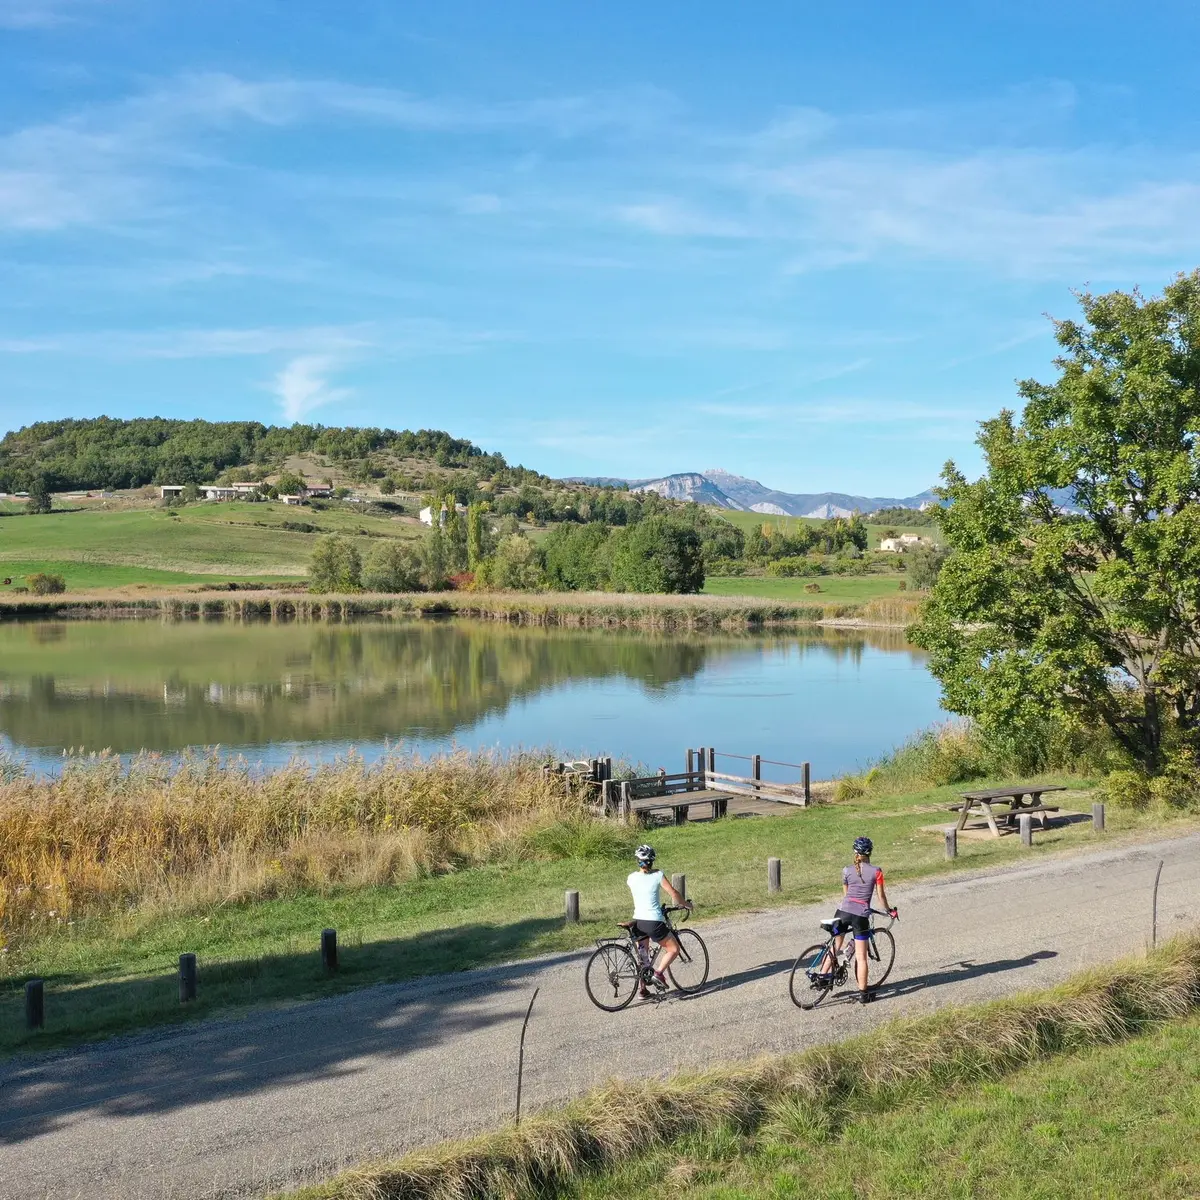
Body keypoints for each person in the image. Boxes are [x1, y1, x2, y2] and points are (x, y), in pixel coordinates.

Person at [820, 836, 897, 1004]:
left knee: (835, 945)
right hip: (861, 915)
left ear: (854, 852)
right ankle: (864, 994)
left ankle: (823, 976)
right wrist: (889, 911)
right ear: (870, 852)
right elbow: (881, 897)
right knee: (861, 957)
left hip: (842, 912)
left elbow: (846, 895)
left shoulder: (846, 870)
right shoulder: (877, 871)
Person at [627, 844, 691, 996]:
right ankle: (658, 974)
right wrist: (686, 904)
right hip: (653, 921)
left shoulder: (631, 878)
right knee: (674, 949)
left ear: (638, 861)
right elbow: (673, 893)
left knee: (643, 956)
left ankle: (643, 989)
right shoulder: (658, 875)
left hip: (638, 921)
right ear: (652, 861)